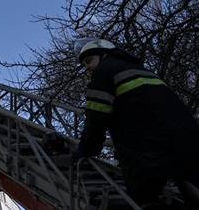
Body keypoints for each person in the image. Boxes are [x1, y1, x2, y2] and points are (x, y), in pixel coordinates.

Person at [73, 38, 199, 208]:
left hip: (146, 150)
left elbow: (96, 119)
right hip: (188, 141)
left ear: (104, 55)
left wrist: (84, 151)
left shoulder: (103, 72)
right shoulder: (143, 70)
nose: (87, 67)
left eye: (89, 61)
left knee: (144, 200)